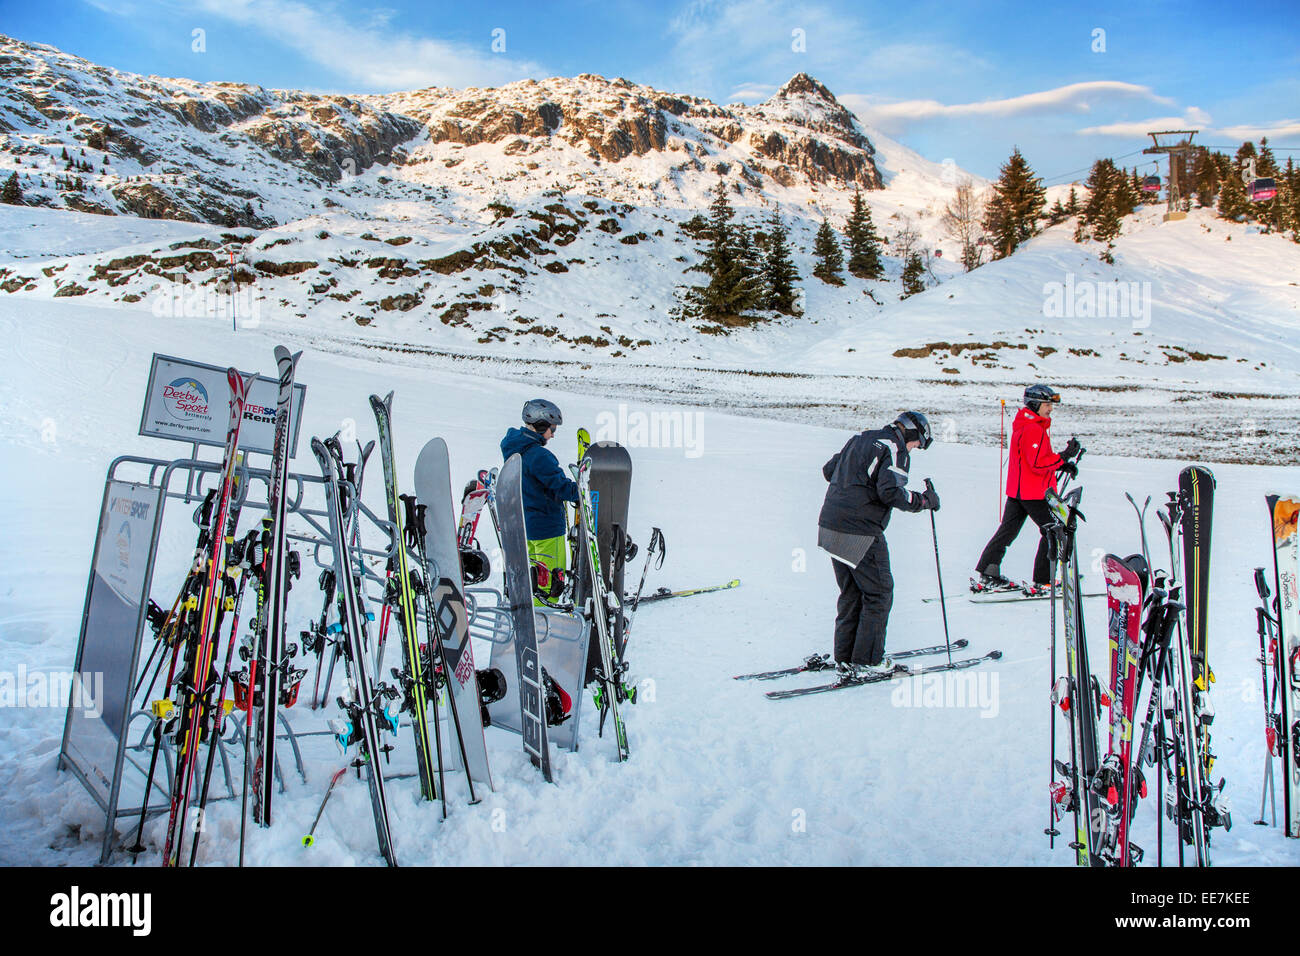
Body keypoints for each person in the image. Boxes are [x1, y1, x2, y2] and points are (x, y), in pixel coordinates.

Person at [818, 411, 940, 679]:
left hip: (830, 524)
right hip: (859, 530)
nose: (914, 449)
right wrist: (923, 500)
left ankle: (846, 656)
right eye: (917, 443)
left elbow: (829, 471)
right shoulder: (895, 447)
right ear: (911, 433)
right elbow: (890, 492)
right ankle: (868, 661)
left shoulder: (861, 438)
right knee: (879, 592)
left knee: (852, 592)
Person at [973, 384, 1080, 594]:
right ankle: (1043, 581)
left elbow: (1034, 459)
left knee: (1007, 532)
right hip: (1033, 493)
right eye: (1047, 404)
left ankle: (988, 572)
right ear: (1035, 404)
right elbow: (1038, 464)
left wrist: (1061, 464)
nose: (1050, 408)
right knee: (1054, 529)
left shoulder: (1028, 424)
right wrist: (1064, 456)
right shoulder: (1033, 428)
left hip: (1019, 490)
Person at [501, 399, 579, 599]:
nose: (553, 434)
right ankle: (546, 624)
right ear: (541, 426)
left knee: (536, 580)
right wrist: (582, 491)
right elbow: (560, 487)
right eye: (552, 429)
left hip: (526, 527)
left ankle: (534, 617)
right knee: (552, 584)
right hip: (546, 529)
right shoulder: (539, 456)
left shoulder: (513, 449)